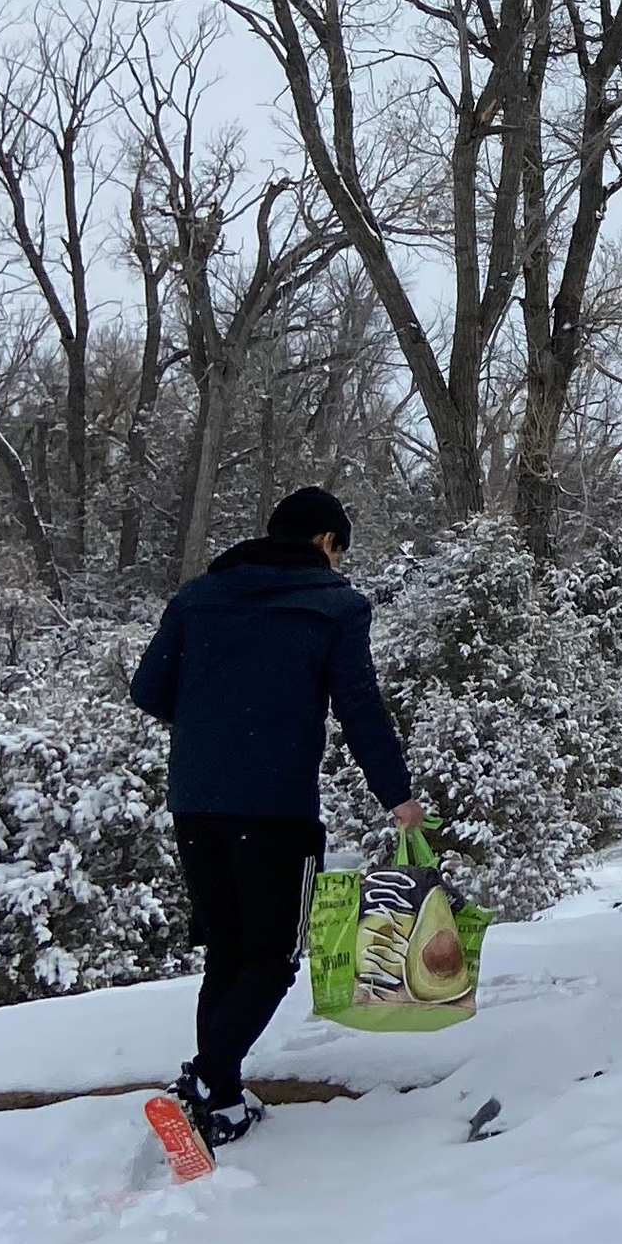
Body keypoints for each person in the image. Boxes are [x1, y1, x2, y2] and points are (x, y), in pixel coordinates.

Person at [128, 486, 423, 1147]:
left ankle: (222, 1103)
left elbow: (148, 690)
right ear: (325, 542)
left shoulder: (197, 598)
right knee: (273, 955)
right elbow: (359, 708)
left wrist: (218, 719)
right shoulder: (335, 606)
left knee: (228, 951)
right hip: (277, 811)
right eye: (339, 549)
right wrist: (396, 794)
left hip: (196, 804)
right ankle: (206, 1080)